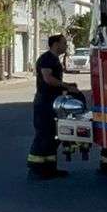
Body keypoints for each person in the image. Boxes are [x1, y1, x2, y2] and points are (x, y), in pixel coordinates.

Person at [28, 34, 81, 179]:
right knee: (44, 135)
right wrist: (66, 86)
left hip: (53, 102)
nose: (66, 46)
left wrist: (68, 87)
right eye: (64, 43)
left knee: (53, 135)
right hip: (44, 103)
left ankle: (49, 169)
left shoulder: (54, 59)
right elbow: (48, 79)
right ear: (55, 44)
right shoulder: (46, 59)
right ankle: (37, 167)